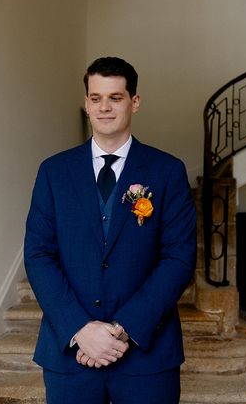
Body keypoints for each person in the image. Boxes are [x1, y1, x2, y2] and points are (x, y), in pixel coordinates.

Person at [24, 56, 197, 404]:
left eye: (115, 97)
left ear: (134, 102)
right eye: (95, 98)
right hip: (71, 355)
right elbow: (39, 255)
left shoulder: (167, 171)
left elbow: (179, 259)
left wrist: (123, 329)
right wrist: (80, 329)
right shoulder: (54, 172)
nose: (104, 107)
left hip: (147, 356)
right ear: (86, 103)